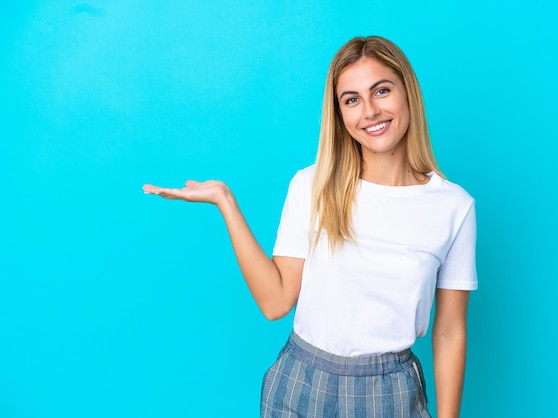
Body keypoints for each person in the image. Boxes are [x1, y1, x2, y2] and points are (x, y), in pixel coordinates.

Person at [144, 36, 477, 418]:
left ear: (408, 93)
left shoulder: (454, 206)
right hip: (304, 381)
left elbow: (450, 331)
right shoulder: (312, 185)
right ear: (339, 113)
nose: (369, 110)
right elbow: (275, 302)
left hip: (391, 393)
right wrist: (225, 201)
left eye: (381, 91)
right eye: (352, 99)